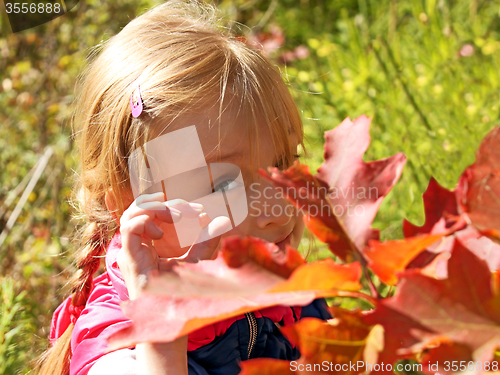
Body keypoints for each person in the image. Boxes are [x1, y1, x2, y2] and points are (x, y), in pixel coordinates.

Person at [35, 1, 330, 374]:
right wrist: (163, 337)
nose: (277, 209)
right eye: (224, 184)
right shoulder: (118, 345)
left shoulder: (283, 290)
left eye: (283, 163)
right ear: (129, 207)